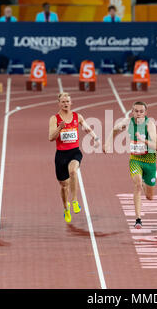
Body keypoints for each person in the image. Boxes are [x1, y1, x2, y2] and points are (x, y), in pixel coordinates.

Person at [103, 101, 157, 229]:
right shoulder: (128, 122)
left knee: (150, 197)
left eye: (141, 111)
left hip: (150, 162)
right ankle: (138, 219)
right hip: (135, 160)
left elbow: (155, 146)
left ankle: (145, 182)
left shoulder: (150, 124)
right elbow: (115, 129)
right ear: (132, 112)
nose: (138, 114)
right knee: (137, 184)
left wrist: (142, 140)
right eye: (136, 111)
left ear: (145, 113)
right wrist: (108, 143)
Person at [49, 92, 100, 223]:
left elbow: (87, 128)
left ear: (71, 103)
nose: (65, 104)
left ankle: (75, 201)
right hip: (61, 155)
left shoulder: (78, 116)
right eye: (63, 102)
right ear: (59, 103)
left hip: (74, 152)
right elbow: (51, 138)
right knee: (63, 185)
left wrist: (95, 137)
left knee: (73, 171)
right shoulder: (54, 119)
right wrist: (59, 128)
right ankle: (66, 208)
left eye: (67, 101)